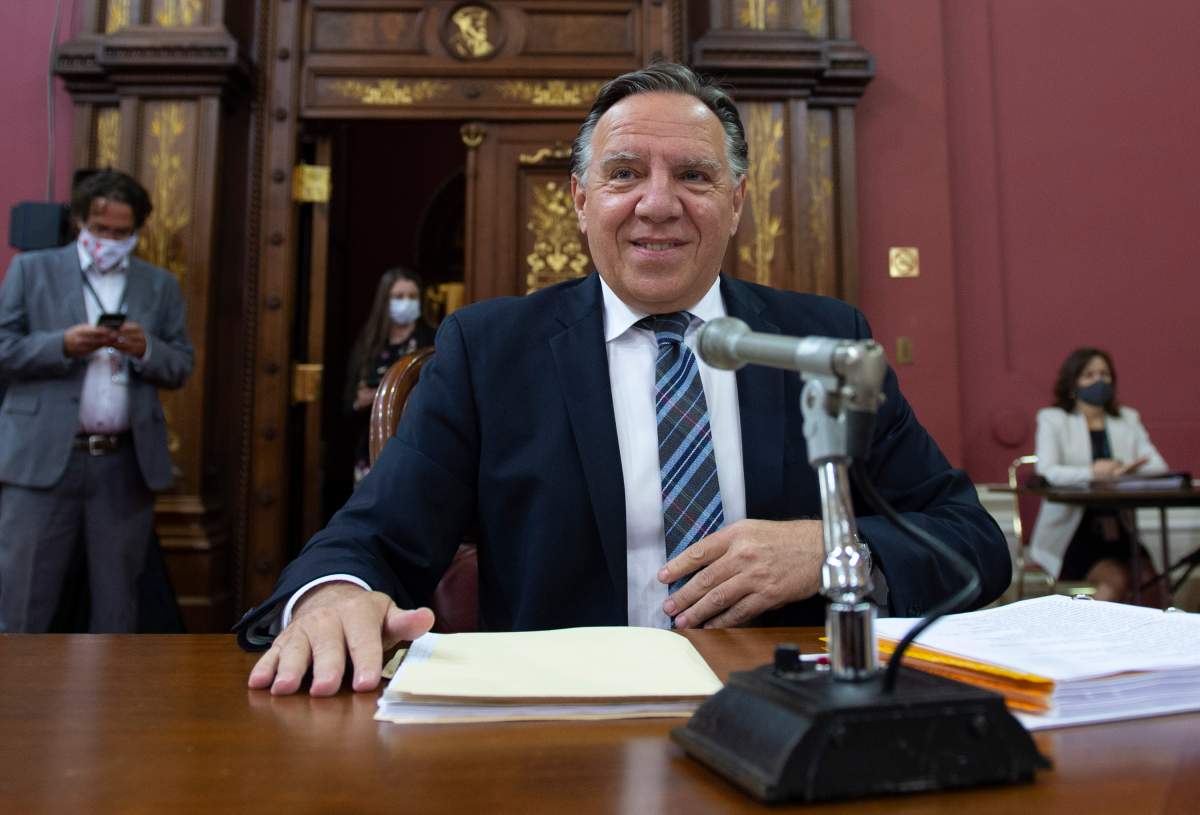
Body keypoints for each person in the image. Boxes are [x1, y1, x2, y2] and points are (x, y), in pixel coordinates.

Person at [236, 63, 1010, 696]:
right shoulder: (489, 350)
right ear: (580, 202)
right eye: (625, 173)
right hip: (558, 722)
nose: (658, 203)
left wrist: (833, 547)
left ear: (736, 203)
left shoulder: (819, 340)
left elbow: (970, 540)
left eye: (695, 176)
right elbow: (370, 540)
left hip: (788, 715)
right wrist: (331, 597)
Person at [0, 170, 193, 633]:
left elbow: (182, 364)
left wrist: (144, 348)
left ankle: (107, 703)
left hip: (122, 465)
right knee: (22, 598)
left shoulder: (159, 285)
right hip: (42, 459)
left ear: (136, 232)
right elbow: (4, 349)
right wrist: (62, 344)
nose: (109, 240)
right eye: (101, 230)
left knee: (117, 603)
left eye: (121, 233)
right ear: (79, 224)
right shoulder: (32, 270)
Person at [1030, 347, 1168, 602]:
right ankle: (1092, 639)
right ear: (1073, 383)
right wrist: (1092, 471)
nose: (1099, 381)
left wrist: (1123, 469)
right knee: (1115, 579)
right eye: (1089, 375)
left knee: (1151, 581)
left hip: (1119, 525)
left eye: (1105, 375)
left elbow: (1157, 465)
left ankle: (1149, 640)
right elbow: (1048, 471)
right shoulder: (1054, 419)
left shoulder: (1127, 418)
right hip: (1073, 529)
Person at [344, 267, 435, 483]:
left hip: (418, 448)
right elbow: (350, 402)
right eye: (399, 297)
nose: (406, 302)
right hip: (372, 450)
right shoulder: (369, 343)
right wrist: (360, 400)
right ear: (385, 301)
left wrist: (383, 394)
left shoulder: (432, 340)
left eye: (412, 297)